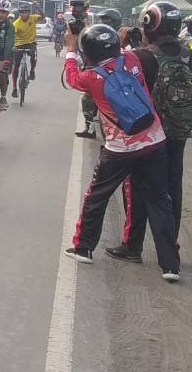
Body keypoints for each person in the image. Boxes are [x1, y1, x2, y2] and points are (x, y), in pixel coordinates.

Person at [63, 22, 181, 282]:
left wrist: (71, 49)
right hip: (154, 141)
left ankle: (83, 247)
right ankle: (170, 265)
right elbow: (135, 51)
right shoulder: (134, 59)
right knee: (160, 202)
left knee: (97, 196)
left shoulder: (91, 78)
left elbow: (70, 76)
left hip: (119, 148)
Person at [108, 1, 192, 264]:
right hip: (179, 131)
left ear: (150, 24)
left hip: (150, 134)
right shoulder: (189, 56)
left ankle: (132, 246)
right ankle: (171, 247)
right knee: (172, 188)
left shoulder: (143, 56)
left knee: (137, 186)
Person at [11, 1, 44, 97]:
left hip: (31, 43)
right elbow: (13, 36)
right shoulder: (16, 23)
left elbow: (43, 16)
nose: (24, 14)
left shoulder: (33, 18)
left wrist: (38, 7)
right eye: (22, 12)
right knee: (16, 65)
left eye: (26, 12)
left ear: (29, 13)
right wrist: (13, 46)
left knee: (33, 55)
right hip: (19, 44)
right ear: (20, 13)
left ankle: (32, 71)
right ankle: (14, 88)